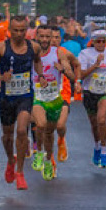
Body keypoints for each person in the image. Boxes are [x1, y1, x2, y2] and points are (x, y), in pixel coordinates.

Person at [0, 15, 44, 190]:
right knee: (8, 136)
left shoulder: (33, 47)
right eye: (15, 30)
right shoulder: (1, 48)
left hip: (25, 96)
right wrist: (0, 77)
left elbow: (38, 61)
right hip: (7, 98)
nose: (19, 34)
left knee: (21, 130)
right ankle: (11, 160)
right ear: (9, 31)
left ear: (26, 30)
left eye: (22, 30)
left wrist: (40, 75)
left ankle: (20, 172)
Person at [30, 25, 80, 181]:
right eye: (42, 36)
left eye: (48, 37)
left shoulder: (58, 53)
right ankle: (38, 152)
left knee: (49, 133)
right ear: (36, 36)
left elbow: (72, 76)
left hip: (54, 98)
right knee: (41, 124)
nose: (45, 40)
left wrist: (63, 69)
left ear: (51, 38)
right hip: (36, 96)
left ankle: (48, 161)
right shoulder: (30, 51)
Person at [78, 29, 106, 169]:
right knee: (94, 124)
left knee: (102, 119)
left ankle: (104, 151)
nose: (101, 44)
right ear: (93, 41)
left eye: (104, 41)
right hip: (90, 92)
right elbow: (81, 75)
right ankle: (97, 146)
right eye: (98, 41)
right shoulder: (85, 54)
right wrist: (95, 65)